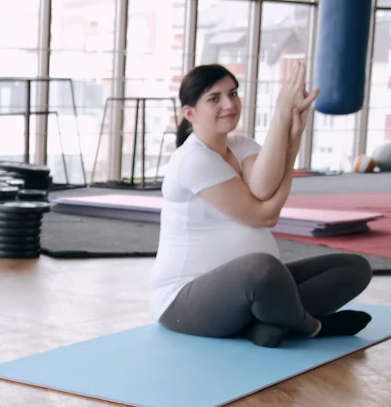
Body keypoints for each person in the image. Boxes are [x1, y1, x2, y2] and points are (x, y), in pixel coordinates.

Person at [151, 62, 373, 348]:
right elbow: (264, 216)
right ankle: (310, 326)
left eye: (233, 93)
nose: (229, 104)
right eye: (214, 98)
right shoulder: (193, 159)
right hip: (184, 300)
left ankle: (268, 324)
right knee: (263, 269)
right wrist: (281, 114)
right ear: (190, 113)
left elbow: (262, 188)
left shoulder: (241, 145)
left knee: (354, 266)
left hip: (250, 291)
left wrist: (291, 140)